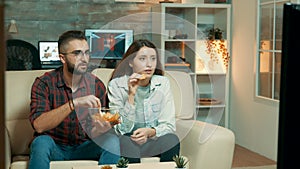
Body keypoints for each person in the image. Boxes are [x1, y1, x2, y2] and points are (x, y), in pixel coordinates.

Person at [28, 30, 120, 169]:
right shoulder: (44, 83)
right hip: (55, 147)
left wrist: (103, 128)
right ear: (62, 58)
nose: (84, 58)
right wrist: (73, 103)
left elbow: (94, 131)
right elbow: (39, 126)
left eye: (86, 53)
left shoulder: (96, 85)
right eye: (77, 53)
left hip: (84, 147)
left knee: (112, 140)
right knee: (41, 142)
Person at [107, 39, 180, 163]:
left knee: (172, 140)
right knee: (125, 140)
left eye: (153, 58)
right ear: (130, 62)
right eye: (142, 59)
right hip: (128, 142)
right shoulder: (116, 85)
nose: (149, 64)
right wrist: (131, 95)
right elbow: (120, 129)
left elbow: (169, 125)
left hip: (152, 141)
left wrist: (150, 132)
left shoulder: (162, 83)